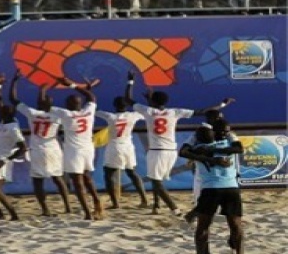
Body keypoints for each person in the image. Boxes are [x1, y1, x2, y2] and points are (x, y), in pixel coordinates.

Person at [127, 73, 234, 216]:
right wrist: (222, 104)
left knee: (156, 180)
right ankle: (157, 205)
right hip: (171, 151)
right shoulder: (174, 112)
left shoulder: (147, 110)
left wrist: (130, 81)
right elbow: (202, 111)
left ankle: (174, 209)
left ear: (151, 102)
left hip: (156, 151)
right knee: (156, 180)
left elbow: (127, 99)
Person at [9, 70, 71, 217]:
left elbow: (13, 99)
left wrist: (15, 81)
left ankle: (45, 209)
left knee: (38, 181)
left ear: (38, 104)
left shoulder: (32, 113)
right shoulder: (58, 115)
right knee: (58, 178)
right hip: (53, 148)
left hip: (37, 149)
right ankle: (67, 206)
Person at [41, 77, 104, 220]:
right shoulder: (88, 111)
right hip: (88, 149)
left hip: (74, 151)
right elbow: (91, 96)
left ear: (68, 104)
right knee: (87, 177)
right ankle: (96, 200)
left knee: (78, 182)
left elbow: (43, 104)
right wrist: (71, 84)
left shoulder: (65, 114)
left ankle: (88, 213)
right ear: (80, 103)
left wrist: (43, 90)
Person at [180, 125, 244, 254]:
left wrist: (209, 159)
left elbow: (183, 152)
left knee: (202, 228)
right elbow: (239, 147)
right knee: (236, 225)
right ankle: (240, 252)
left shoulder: (198, 149)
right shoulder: (228, 146)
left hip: (211, 189)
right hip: (231, 188)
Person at [95, 71, 148, 210]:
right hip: (128, 147)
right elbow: (147, 111)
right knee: (132, 172)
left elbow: (94, 109)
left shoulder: (110, 116)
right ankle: (144, 198)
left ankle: (115, 203)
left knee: (109, 174)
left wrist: (89, 92)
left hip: (114, 147)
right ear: (127, 106)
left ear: (114, 105)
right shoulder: (133, 116)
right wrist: (131, 82)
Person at [0, 100, 27, 221]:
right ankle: (0, 213)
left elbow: (23, 148)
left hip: (1, 159)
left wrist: (6, 160)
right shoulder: (4, 121)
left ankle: (14, 215)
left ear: (7, 114)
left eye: (2, 111)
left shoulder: (13, 128)